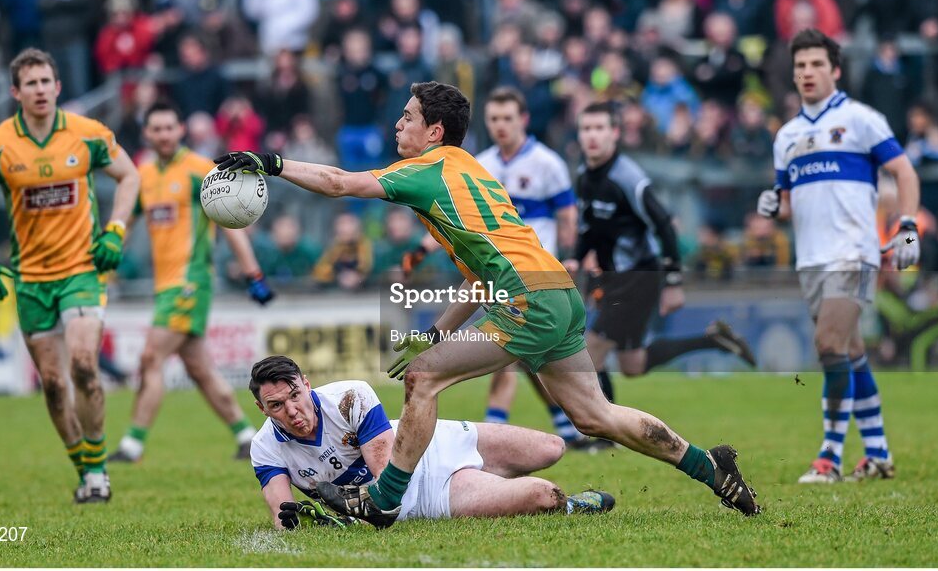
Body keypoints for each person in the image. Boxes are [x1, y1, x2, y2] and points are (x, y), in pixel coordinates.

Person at [214, 81, 761, 528]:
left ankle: (383, 501)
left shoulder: (425, 169)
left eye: (408, 117)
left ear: (435, 131)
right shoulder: (469, 169)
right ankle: (710, 467)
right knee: (597, 416)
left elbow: (338, 182)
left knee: (423, 379)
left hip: (529, 298)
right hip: (558, 295)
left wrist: (270, 161)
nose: (397, 125)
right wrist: (432, 334)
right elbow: (478, 279)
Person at [0, 48, 141, 503]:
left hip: (82, 269)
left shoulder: (88, 134)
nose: (40, 90)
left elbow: (130, 176)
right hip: (31, 279)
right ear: (15, 92)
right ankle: (84, 467)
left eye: (46, 82)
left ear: (58, 87)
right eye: (31, 84)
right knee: (54, 384)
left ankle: (98, 472)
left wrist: (116, 231)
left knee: (83, 365)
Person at [757, 28, 921, 483]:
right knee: (848, 351)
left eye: (815, 64)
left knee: (829, 346)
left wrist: (906, 228)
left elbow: (904, 172)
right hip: (811, 259)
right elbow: (787, 203)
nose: (807, 73)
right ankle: (879, 452)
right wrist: (774, 206)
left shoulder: (860, 119)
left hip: (853, 254)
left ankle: (828, 457)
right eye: (800, 66)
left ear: (835, 70)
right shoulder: (786, 136)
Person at [406, 87, 598, 450]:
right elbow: (459, 218)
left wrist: (573, 255)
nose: (500, 126)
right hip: (497, 272)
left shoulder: (547, 163)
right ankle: (571, 425)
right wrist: (422, 248)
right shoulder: (480, 162)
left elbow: (567, 217)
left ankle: (496, 432)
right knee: (523, 358)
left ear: (523, 120)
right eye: (493, 119)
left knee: (515, 356)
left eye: (508, 118)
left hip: (539, 273)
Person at [248, 355, 615, 529]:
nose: (292, 410)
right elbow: (286, 519)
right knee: (543, 495)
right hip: (426, 492)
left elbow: (384, 478)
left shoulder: (349, 396)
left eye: (295, 394)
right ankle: (569, 507)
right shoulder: (266, 448)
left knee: (553, 447)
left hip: (431, 443)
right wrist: (311, 524)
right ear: (261, 409)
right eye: (276, 405)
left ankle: (496, 483)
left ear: (306, 384)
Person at [110, 102, 275, 464]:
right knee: (199, 368)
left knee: (151, 356)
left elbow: (232, 223)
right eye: (157, 129)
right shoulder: (144, 175)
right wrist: (104, 265)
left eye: (170, 127)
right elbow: (126, 222)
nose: (164, 134)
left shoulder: (201, 171)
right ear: (147, 134)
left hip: (190, 282)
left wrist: (253, 273)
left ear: (181, 130)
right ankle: (246, 436)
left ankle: (132, 445)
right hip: (164, 285)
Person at [567, 101, 755, 401]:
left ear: (615, 133)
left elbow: (666, 227)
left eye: (600, 128)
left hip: (637, 276)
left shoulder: (629, 178)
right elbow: (589, 227)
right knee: (633, 364)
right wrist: (576, 256)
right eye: (586, 128)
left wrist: (673, 283)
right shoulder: (584, 176)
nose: (592, 135)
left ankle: (604, 435)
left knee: (591, 354)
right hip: (614, 278)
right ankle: (713, 340)